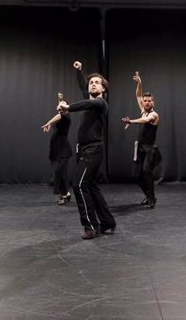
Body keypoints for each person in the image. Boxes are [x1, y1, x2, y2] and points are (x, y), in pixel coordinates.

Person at [57, 60, 116, 239]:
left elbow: (86, 104)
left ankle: (91, 226)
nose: (93, 84)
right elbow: (84, 88)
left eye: (97, 82)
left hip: (93, 149)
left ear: (103, 89)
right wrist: (79, 72)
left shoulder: (100, 103)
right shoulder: (90, 97)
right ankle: (108, 222)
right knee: (91, 186)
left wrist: (68, 107)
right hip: (83, 150)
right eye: (92, 82)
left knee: (79, 185)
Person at [121, 71, 161, 209]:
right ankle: (149, 195)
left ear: (153, 102)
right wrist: (139, 83)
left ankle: (152, 198)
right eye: (145, 101)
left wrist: (131, 121)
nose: (147, 102)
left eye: (150, 101)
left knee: (146, 173)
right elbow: (138, 94)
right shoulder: (143, 109)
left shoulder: (154, 115)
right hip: (140, 148)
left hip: (150, 149)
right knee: (136, 176)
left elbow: (145, 120)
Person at [41, 92, 73, 205]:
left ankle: (64, 194)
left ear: (67, 108)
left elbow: (60, 114)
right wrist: (60, 99)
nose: (60, 106)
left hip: (64, 148)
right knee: (59, 172)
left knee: (60, 171)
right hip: (55, 147)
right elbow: (59, 111)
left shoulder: (66, 116)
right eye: (60, 105)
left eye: (63, 105)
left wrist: (48, 123)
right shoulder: (60, 115)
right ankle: (66, 194)